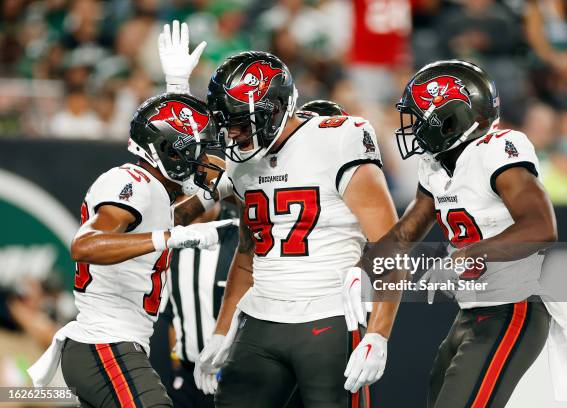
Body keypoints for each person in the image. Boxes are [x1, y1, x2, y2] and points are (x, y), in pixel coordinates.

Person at [156, 21, 402, 407]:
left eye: (239, 123)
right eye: (227, 124)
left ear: (274, 110)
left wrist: (378, 333)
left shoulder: (338, 137)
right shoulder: (240, 163)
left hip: (328, 319)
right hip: (261, 322)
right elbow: (246, 254)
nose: (232, 135)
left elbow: (391, 245)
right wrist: (222, 331)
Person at [345, 60, 567, 406]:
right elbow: (405, 234)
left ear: (450, 118)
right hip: (472, 312)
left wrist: (464, 257)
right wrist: (363, 267)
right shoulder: (436, 163)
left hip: (514, 307)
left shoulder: (497, 149)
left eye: (419, 118)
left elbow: (541, 228)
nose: (412, 128)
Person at [27, 92, 232, 407]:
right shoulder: (133, 180)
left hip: (113, 344)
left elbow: (172, 217)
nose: (204, 161)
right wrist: (171, 238)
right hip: (104, 344)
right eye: (197, 151)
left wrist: (221, 189)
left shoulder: (155, 191)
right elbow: (85, 244)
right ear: (170, 153)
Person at [162, 200, 239, 408]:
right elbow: (172, 314)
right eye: (179, 198)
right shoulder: (171, 239)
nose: (187, 207)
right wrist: (177, 364)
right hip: (186, 375)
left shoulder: (240, 235)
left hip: (232, 374)